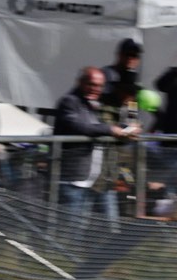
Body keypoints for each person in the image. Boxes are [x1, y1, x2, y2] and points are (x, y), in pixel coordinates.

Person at [54, 66, 138, 221]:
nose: (95, 89)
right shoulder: (69, 102)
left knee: (83, 229)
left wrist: (128, 129)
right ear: (80, 82)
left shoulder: (91, 104)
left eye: (99, 86)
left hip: (90, 181)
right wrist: (111, 129)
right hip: (72, 181)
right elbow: (81, 127)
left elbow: (101, 126)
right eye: (91, 84)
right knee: (70, 230)